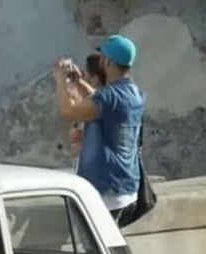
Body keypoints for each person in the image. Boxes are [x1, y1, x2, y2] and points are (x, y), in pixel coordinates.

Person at [54, 34, 145, 224]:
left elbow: (68, 112)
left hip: (106, 194)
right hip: (126, 189)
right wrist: (79, 82)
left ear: (108, 62)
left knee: (97, 253)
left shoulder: (108, 97)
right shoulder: (134, 93)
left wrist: (61, 81)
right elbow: (100, 102)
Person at [67, 54, 107, 167]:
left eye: (85, 74)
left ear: (95, 79)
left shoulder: (99, 104)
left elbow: (68, 112)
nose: (82, 78)